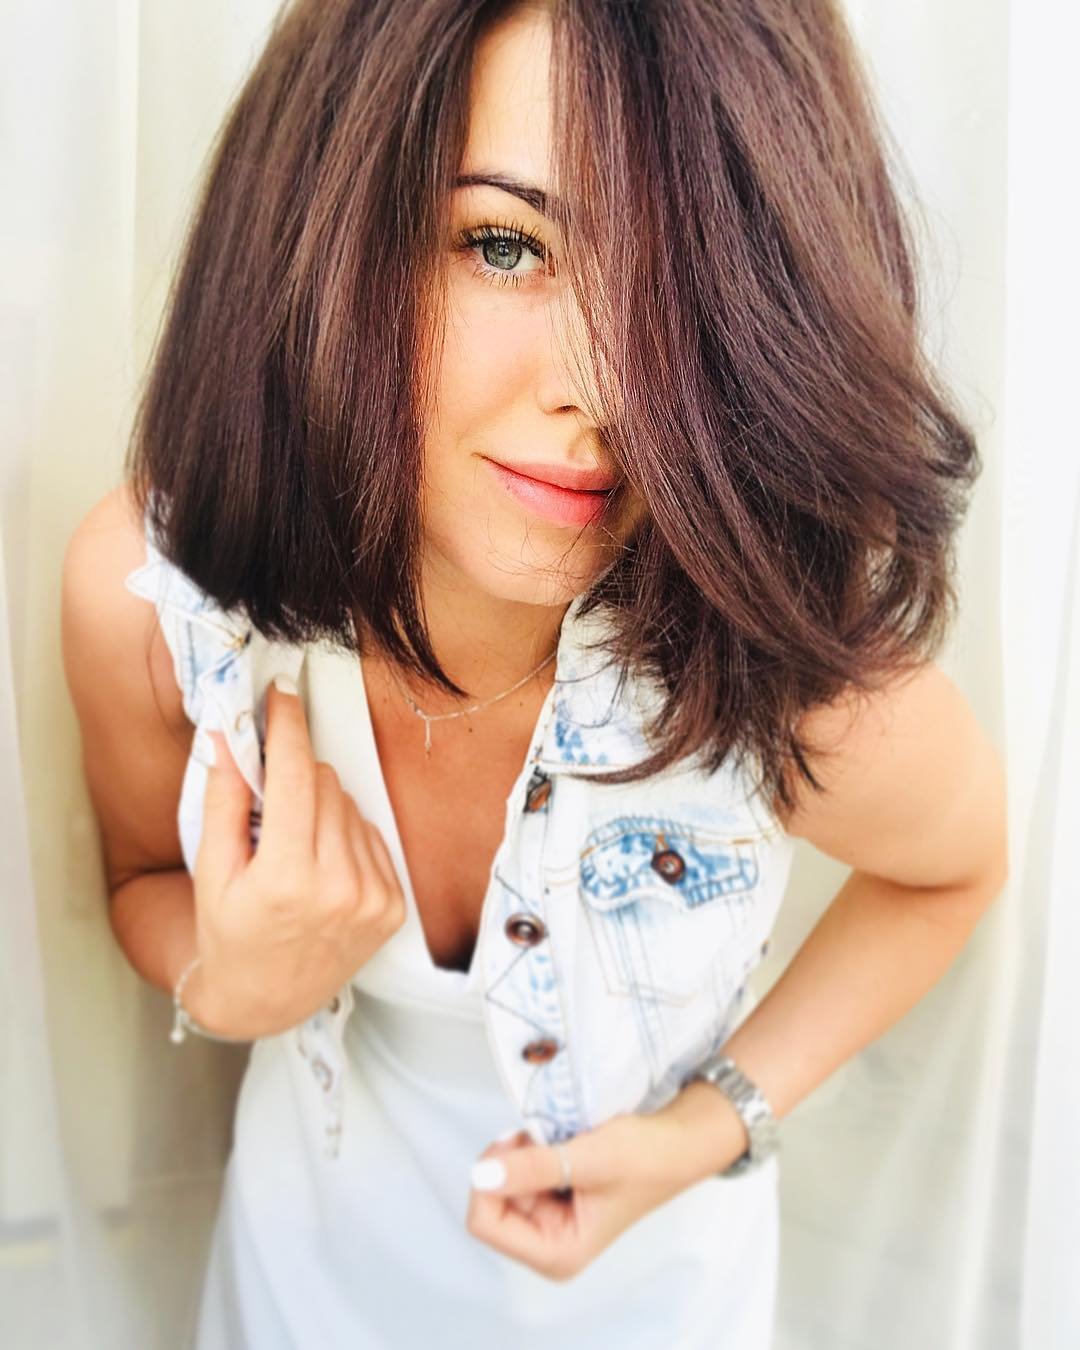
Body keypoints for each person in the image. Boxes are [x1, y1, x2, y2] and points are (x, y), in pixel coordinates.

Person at [62, 1, 1008, 1346]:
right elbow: (140, 881)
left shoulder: (781, 681)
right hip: (300, 1289)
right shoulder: (168, 608)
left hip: (656, 1306)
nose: (604, 383)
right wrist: (230, 979)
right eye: (505, 246)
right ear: (322, 224)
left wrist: (704, 1128)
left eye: (679, 290)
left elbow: (952, 869)